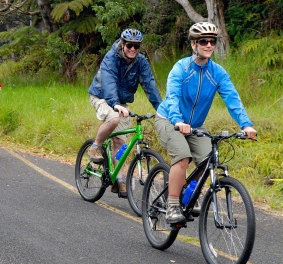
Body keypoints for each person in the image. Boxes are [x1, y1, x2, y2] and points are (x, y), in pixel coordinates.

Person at [154, 22, 257, 223]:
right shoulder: (181, 68)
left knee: (206, 160)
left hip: (196, 125)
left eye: (212, 41)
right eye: (203, 41)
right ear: (194, 44)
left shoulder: (217, 72)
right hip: (169, 119)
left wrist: (246, 124)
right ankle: (173, 205)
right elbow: (173, 97)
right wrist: (177, 121)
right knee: (183, 156)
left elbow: (232, 99)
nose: (208, 45)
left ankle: (188, 194)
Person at [87, 28, 162, 198]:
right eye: (129, 45)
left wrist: (162, 111)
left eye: (136, 46)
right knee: (113, 119)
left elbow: (150, 86)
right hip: (101, 96)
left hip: (120, 102)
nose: (133, 49)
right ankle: (95, 147)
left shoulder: (141, 62)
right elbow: (108, 81)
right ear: (122, 44)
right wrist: (115, 104)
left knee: (120, 142)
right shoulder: (111, 58)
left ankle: (119, 179)